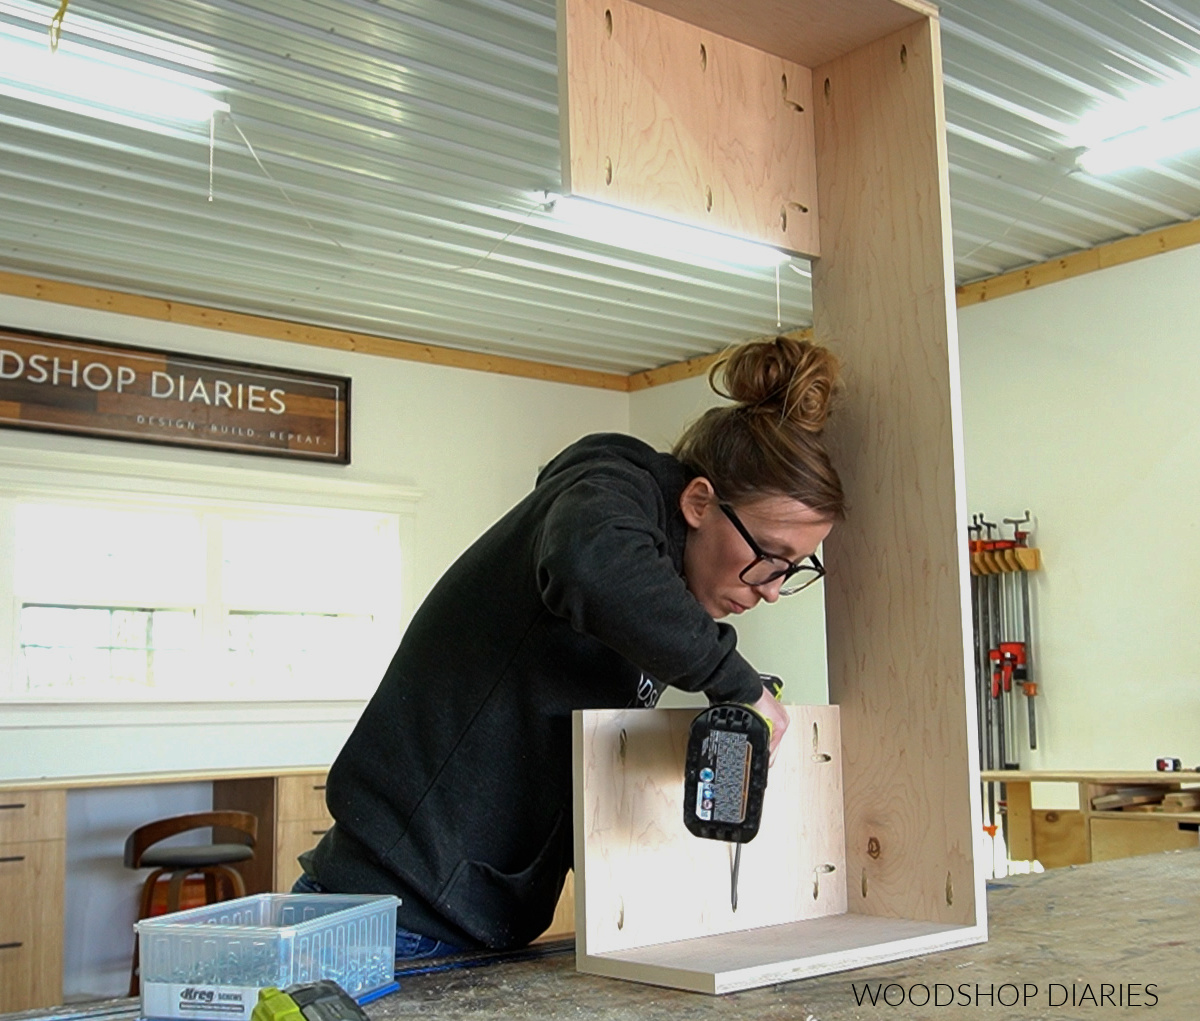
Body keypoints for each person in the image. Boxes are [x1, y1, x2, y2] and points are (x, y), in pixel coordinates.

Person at [295, 335, 845, 959]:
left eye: (793, 569)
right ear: (698, 502)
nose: (772, 590)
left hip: (464, 922)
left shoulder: (661, 586)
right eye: (770, 558)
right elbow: (589, 562)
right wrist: (735, 680)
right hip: (390, 914)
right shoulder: (607, 492)